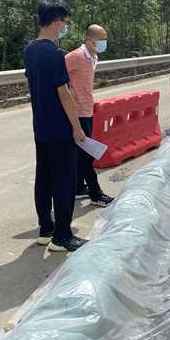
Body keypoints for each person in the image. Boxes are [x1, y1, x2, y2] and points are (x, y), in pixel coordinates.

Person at [24, 0, 88, 252]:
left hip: (40, 125)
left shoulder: (29, 50)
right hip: (60, 128)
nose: (65, 27)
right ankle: (62, 236)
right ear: (56, 22)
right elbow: (64, 93)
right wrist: (76, 126)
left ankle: (45, 228)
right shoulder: (54, 54)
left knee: (44, 176)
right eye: (65, 23)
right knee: (64, 179)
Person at [65, 25, 115, 207]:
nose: (104, 43)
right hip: (77, 112)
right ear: (90, 39)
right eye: (102, 39)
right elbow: (57, 75)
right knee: (87, 156)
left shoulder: (93, 56)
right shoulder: (76, 56)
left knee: (81, 154)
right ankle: (96, 194)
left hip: (87, 109)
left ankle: (78, 188)